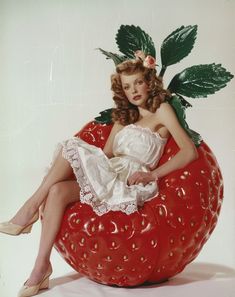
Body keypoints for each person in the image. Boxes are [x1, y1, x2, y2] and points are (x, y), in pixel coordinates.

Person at [0, 51, 198, 297]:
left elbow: (189, 152)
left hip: (132, 179)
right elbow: (106, 154)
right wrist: (84, 168)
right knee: (58, 189)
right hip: (111, 172)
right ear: (122, 91)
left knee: (69, 148)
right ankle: (41, 267)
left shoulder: (162, 111)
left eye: (138, 82)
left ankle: (28, 210)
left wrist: (153, 175)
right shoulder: (124, 117)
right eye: (127, 86)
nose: (134, 90)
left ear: (149, 82)